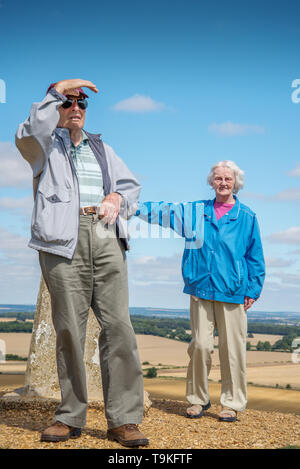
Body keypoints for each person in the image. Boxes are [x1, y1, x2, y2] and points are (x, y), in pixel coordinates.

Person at [15, 78, 149, 447]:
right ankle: (70, 416)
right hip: (62, 240)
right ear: (56, 106)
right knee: (69, 329)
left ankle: (124, 419)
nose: (76, 108)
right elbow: (26, 133)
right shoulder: (43, 145)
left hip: (106, 235)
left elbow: (131, 187)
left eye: (82, 103)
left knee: (119, 327)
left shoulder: (102, 147)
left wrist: (116, 198)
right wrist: (56, 91)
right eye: (68, 102)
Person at [135, 160, 265, 422]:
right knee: (200, 346)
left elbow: (255, 257)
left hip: (233, 291)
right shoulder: (195, 212)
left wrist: (253, 288)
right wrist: (130, 207)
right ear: (211, 182)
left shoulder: (247, 217)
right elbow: (165, 212)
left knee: (232, 350)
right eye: (218, 178)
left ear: (236, 183)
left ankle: (232, 403)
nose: (223, 183)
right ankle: (197, 399)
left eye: (228, 179)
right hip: (200, 289)